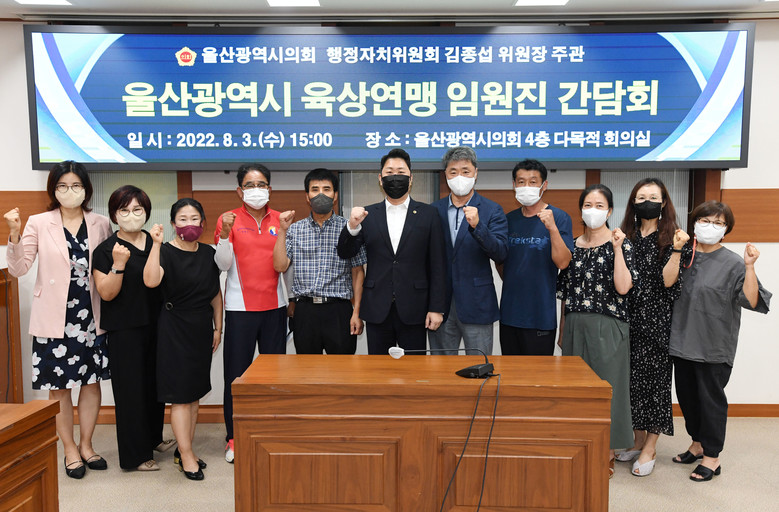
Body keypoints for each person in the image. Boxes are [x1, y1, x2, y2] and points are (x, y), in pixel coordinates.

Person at [4, 161, 111, 479]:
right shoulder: (38, 222)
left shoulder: (100, 223)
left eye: (76, 185)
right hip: (54, 318)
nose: (69, 191)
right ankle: (69, 449)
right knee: (59, 388)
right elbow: (19, 269)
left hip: (91, 316)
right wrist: (14, 234)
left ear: (86, 189)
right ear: (53, 189)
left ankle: (87, 445)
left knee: (91, 383)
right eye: (62, 186)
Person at [664, 201, 770, 482]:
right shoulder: (684, 255)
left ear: (726, 229)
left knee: (710, 402)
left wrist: (750, 267)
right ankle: (697, 444)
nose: (710, 226)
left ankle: (712, 457)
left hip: (713, 347)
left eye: (718, 223)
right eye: (705, 220)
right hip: (682, 341)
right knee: (687, 399)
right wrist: (676, 250)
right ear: (695, 222)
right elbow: (667, 283)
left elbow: (752, 300)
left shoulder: (734, 263)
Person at [556, 184, 637, 478]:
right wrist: (563, 329)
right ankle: (581, 446)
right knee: (576, 392)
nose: (593, 210)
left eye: (600, 205)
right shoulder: (572, 246)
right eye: (588, 205)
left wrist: (616, 249)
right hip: (575, 324)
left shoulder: (621, 243)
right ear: (580, 210)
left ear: (610, 210)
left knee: (608, 390)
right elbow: (565, 293)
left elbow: (624, 287)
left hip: (608, 324)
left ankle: (608, 451)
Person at [92, 186, 173, 472]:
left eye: (137, 209)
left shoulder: (155, 242)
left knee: (154, 386)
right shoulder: (106, 250)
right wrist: (118, 264)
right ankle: (135, 456)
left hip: (157, 325)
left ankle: (153, 439)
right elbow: (106, 293)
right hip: (124, 330)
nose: (131, 215)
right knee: (131, 392)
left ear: (146, 212)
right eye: (124, 210)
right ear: (114, 215)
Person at [337, 148, 447, 355]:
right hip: (377, 307)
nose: (395, 177)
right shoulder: (368, 214)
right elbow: (345, 252)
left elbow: (438, 264)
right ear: (380, 179)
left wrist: (436, 308)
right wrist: (351, 226)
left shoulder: (429, 214)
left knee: (414, 368)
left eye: (401, 172)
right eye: (389, 172)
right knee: (378, 369)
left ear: (411, 178)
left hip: (415, 307)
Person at [143, 198, 222, 481]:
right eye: (183, 219)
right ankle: (186, 454)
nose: (189, 224)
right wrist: (155, 245)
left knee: (195, 392)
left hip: (201, 327)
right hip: (174, 328)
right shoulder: (164, 251)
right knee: (180, 396)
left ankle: (185, 449)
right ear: (174, 223)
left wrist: (218, 327)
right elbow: (151, 280)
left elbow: (215, 294)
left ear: (203, 222)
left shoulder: (208, 253)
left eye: (194, 218)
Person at [214, 163, 287, 463]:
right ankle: (234, 437)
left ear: (269, 188)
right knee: (236, 377)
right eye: (249, 185)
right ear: (239, 190)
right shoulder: (228, 219)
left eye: (261, 185)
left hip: (275, 308)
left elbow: (285, 264)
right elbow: (222, 264)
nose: (256, 190)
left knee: (274, 378)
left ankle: (272, 431)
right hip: (240, 309)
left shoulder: (281, 219)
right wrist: (224, 234)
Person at [614, 178, 679, 477]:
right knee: (632, 384)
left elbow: (669, 282)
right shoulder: (624, 236)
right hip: (627, 321)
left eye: (653, 197)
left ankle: (651, 445)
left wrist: (676, 250)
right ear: (633, 203)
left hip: (658, 323)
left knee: (655, 385)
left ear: (663, 202)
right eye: (641, 197)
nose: (647, 202)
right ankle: (637, 439)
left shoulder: (673, 238)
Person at [273, 168, 366, 354]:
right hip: (305, 311)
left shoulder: (350, 228)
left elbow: (358, 272)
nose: (320, 194)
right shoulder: (295, 229)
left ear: (335, 196)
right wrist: (282, 230)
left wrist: (357, 313)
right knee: (307, 369)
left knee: (342, 368)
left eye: (326, 189)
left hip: (339, 310)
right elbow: (280, 266)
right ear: (307, 196)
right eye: (315, 189)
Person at [430, 146, 507, 356]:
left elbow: (501, 253)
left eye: (465, 171)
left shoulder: (492, 209)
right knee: (441, 368)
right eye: (453, 172)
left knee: (479, 366)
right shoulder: (433, 210)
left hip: (477, 303)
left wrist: (478, 226)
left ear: (475, 173)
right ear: (445, 175)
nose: (459, 177)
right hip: (441, 305)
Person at [498, 159, 573, 355]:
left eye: (533, 182)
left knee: (539, 373)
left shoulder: (559, 217)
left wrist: (552, 228)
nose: (526, 187)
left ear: (544, 185)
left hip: (541, 316)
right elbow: (501, 261)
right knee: (510, 372)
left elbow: (563, 262)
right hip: (510, 314)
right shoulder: (508, 219)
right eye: (521, 182)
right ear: (514, 185)